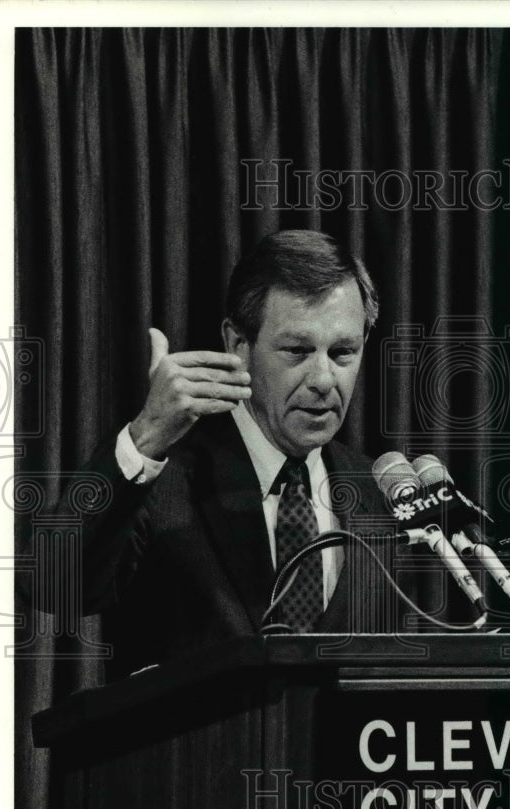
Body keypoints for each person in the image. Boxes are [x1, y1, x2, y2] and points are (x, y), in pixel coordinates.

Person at [60, 230, 410, 675]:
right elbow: (57, 587)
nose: (324, 379)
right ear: (237, 345)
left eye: (342, 352)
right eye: (297, 350)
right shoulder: (161, 475)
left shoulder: (380, 493)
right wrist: (147, 435)